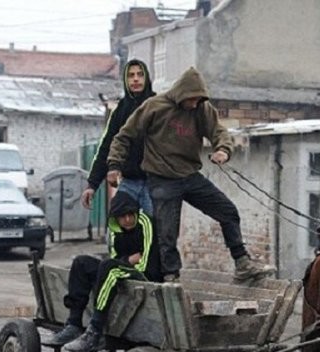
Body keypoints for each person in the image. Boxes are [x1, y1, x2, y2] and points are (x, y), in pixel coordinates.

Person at [106, 66, 274, 284]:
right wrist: (114, 165)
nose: (194, 104)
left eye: (198, 100)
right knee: (167, 232)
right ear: (180, 95)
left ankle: (242, 263)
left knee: (228, 211)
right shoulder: (154, 107)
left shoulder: (202, 109)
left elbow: (218, 131)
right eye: (191, 99)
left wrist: (223, 149)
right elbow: (124, 136)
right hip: (162, 177)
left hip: (190, 175)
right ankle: (171, 276)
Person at [45, 190, 162, 352]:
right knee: (81, 263)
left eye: (130, 215)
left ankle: (95, 331)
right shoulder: (113, 226)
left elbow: (146, 262)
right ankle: (74, 324)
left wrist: (124, 262)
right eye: (123, 216)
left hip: (147, 274)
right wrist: (128, 261)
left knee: (110, 269)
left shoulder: (145, 223)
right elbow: (115, 256)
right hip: (124, 268)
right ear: (116, 217)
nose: (127, 220)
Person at [81, 59, 155, 215]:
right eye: (131, 75)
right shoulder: (121, 109)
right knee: (117, 229)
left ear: (147, 78)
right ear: (125, 80)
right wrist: (92, 185)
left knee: (157, 233)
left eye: (140, 75)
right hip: (128, 182)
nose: (135, 79)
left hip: (154, 183)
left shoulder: (158, 105)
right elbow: (107, 146)